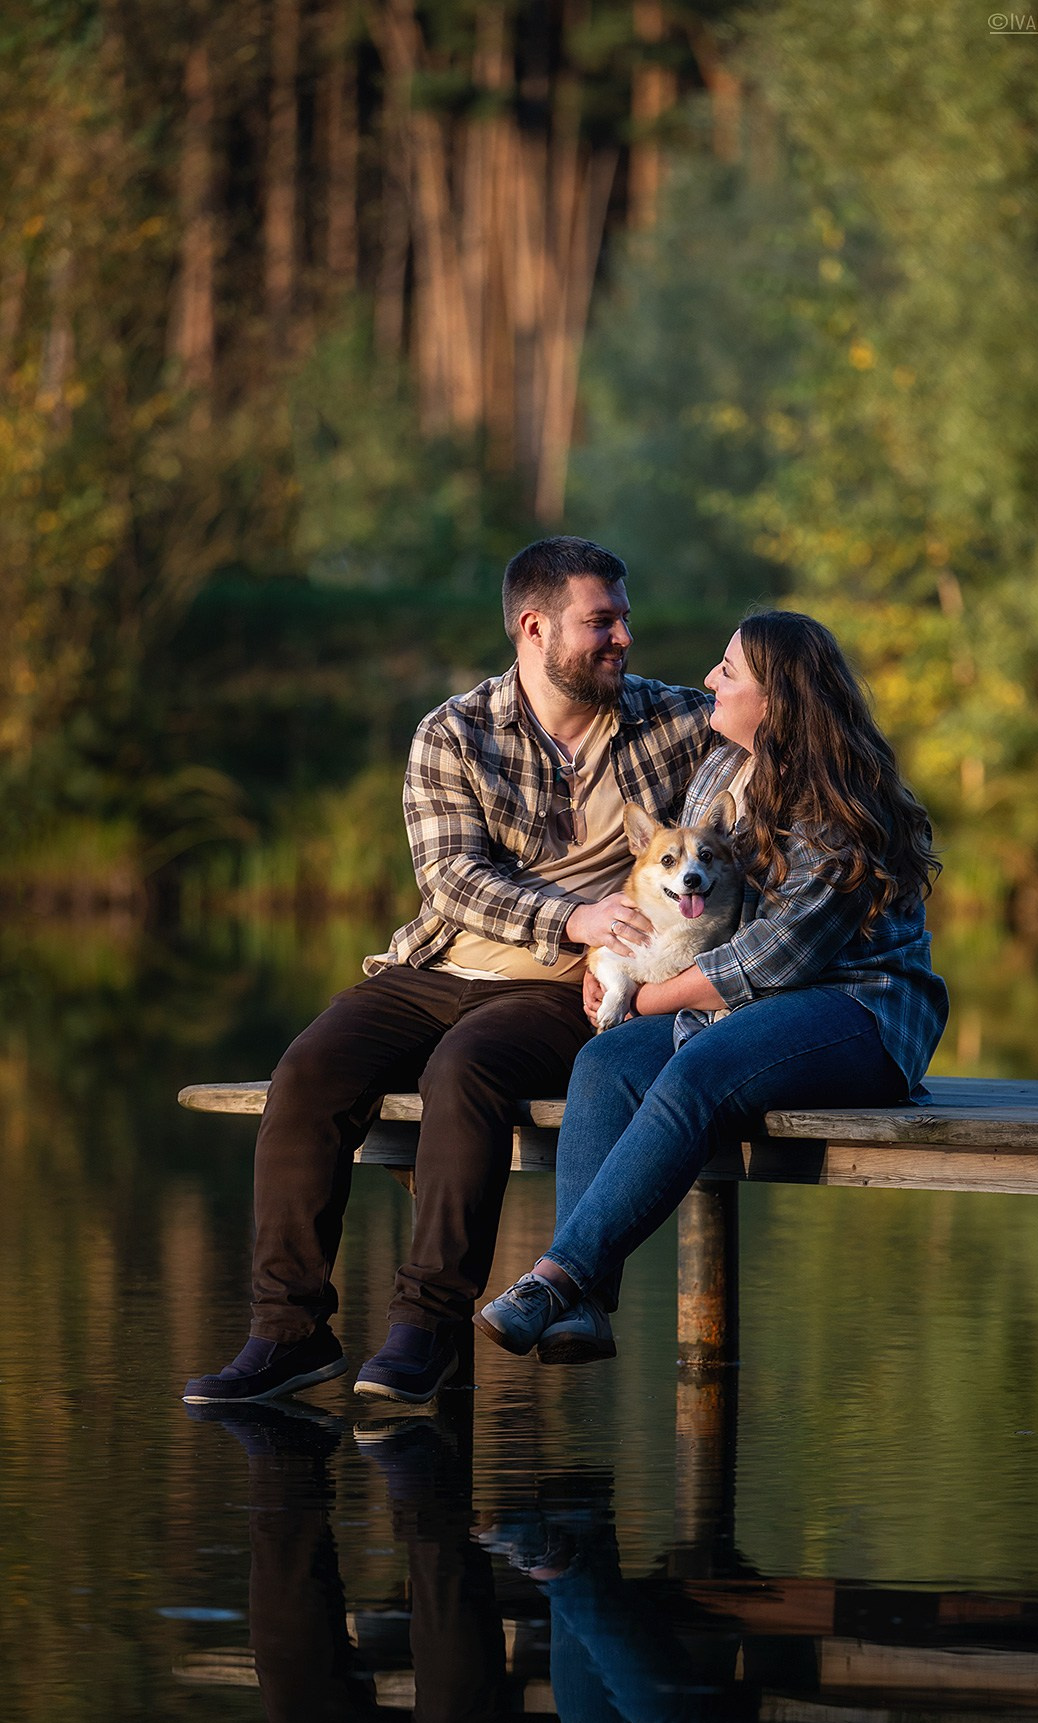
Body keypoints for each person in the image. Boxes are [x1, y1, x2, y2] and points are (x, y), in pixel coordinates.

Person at [183, 537, 713, 1408]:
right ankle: (288, 1334)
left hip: (563, 986)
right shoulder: (454, 733)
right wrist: (571, 913)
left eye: (624, 618)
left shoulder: (676, 723)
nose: (624, 637)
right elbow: (451, 878)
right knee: (309, 1071)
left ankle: (426, 1332)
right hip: (437, 963)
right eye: (601, 622)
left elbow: (781, 737)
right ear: (534, 628)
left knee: (465, 1071)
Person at [474, 610, 949, 1362]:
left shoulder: (841, 807)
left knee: (694, 1073)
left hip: (859, 1011)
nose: (709, 681)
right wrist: (615, 969)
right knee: (604, 1061)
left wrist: (645, 998)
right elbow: (681, 911)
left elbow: (774, 959)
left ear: (777, 698)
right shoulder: (724, 772)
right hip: (742, 1016)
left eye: (728, 671)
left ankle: (553, 1279)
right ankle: (583, 1305)